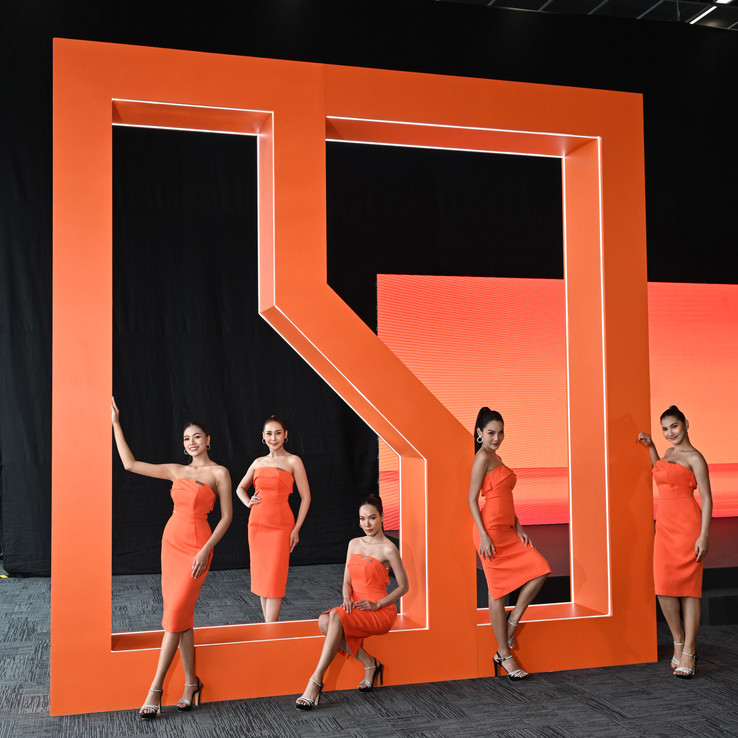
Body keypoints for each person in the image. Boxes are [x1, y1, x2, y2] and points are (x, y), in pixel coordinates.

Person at [111, 398, 233, 719]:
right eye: (186, 439)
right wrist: (115, 423)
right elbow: (130, 464)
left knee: (176, 612)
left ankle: (156, 689)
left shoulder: (219, 472)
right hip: (171, 543)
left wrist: (206, 549)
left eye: (197, 437)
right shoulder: (175, 470)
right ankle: (191, 683)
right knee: (182, 617)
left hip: (198, 544)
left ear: (208, 440)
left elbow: (226, 518)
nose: (191, 443)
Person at [295, 496, 408, 710]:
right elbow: (347, 581)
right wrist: (347, 598)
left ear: (382, 517)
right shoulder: (354, 543)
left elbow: (404, 586)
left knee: (334, 617)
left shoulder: (389, 549)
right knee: (324, 621)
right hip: (355, 606)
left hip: (379, 611)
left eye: (372, 518)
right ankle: (370, 663)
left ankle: (316, 681)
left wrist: (376, 605)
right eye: (362, 519)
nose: (367, 524)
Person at [469, 407, 550, 681]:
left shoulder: (497, 457)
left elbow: (504, 497)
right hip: (490, 531)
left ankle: (511, 624)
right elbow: (471, 499)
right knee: (497, 592)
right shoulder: (482, 457)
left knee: (541, 568)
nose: (497, 438)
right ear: (480, 433)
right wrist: (483, 534)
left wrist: (520, 526)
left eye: (501, 433)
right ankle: (504, 654)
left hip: (507, 529)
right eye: (491, 432)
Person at [637, 404, 712, 679]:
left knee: (690, 589)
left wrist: (704, 535)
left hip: (688, 526)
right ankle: (678, 641)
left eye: (674, 426)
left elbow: (707, 499)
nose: (670, 433)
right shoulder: (668, 454)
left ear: (686, 424)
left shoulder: (695, 458)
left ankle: (689, 651)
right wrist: (652, 448)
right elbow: (663, 473)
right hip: (665, 525)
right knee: (664, 587)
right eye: (665, 429)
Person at [236, 415, 311, 622]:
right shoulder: (258, 462)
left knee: (275, 578)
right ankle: (267, 627)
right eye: (269, 433)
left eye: (278, 433)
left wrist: (297, 528)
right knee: (262, 578)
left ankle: (271, 630)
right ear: (263, 436)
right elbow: (240, 488)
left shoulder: (293, 461)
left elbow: (306, 497)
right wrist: (248, 501)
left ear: (285, 435)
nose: (273, 438)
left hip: (281, 526)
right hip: (257, 524)